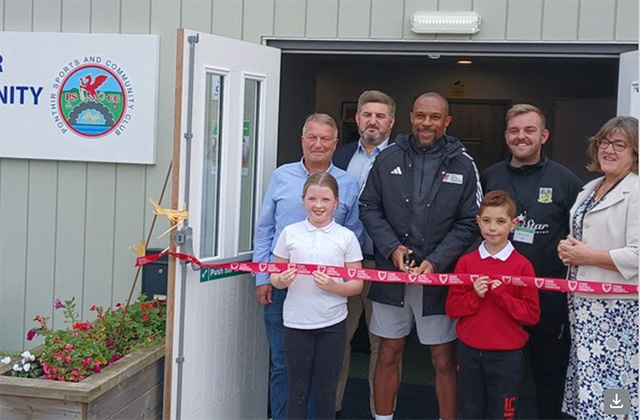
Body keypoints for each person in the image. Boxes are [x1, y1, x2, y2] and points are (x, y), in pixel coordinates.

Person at [360, 91, 482, 420]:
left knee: (443, 358)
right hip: (393, 273)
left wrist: (437, 260)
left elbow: (472, 221)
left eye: (435, 117)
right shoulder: (387, 158)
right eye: (421, 116)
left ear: (447, 121)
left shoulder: (463, 163)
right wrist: (392, 248)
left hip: (438, 278)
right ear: (411, 117)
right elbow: (368, 207)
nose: (427, 123)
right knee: (388, 352)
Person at [253, 113, 364, 420]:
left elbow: (353, 233)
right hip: (281, 286)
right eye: (311, 137)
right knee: (282, 364)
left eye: (325, 138)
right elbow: (264, 230)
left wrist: (341, 285)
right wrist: (264, 277)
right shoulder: (281, 176)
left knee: (324, 370)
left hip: (326, 295)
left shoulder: (348, 183)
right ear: (302, 140)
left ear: (335, 143)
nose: (318, 144)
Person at [481, 103, 582, 419]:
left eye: (529, 130)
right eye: (514, 130)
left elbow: (580, 237)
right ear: (506, 135)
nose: (521, 137)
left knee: (548, 374)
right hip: (497, 295)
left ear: (544, 135)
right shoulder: (490, 176)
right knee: (496, 376)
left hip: (547, 298)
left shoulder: (566, 181)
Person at [557, 116, 638, 420]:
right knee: (590, 388)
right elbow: (585, 240)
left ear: (635, 153)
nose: (609, 150)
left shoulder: (637, 191)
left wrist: (587, 256)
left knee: (615, 387)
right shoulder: (591, 188)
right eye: (605, 142)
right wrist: (569, 249)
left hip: (619, 313)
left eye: (620, 145)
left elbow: (637, 255)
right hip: (585, 309)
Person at [270, 172, 364, 420]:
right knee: (297, 389)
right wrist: (282, 280)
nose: (318, 205)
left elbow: (357, 284)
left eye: (325, 199)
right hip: (295, 323)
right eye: (312, 199)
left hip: (332, 324)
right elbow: (274, 276)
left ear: (337, 203)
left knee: (326, 391)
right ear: (303, 201)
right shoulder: (290, 233)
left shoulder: (346, 237)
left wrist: (334, 286)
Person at [446, 190, 540, 419]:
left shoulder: (523, 266)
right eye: (486, 221)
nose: (492, 228)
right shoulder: (466, 262)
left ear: (514, 224)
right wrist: (475, 296)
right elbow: (452, 308)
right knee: (469, 412)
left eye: (500, 221)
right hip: (469, 353)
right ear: (478, 222)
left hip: (506, 356)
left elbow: (531, 315)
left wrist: (503, 296)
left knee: (503, 414)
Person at [333, 90, 397, 417]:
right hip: (340, 267)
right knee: (336, 341)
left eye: (380, 115)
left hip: (383, 263)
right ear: (357, 119)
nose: (373, 121)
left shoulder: (402, 158)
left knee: (382, 346)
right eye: (367, 114)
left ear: (391, 122)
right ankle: (333, 408)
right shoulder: (339, 156)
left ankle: (380, 412)